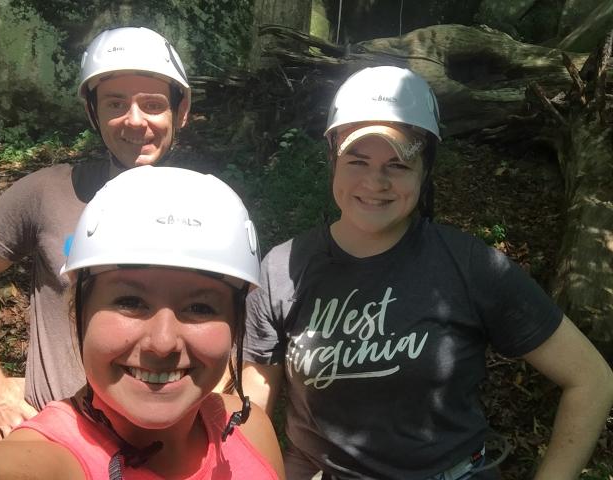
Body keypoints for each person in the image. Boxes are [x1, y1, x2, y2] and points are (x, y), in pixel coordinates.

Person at [241, 66, 613, 480]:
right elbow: (250, 405)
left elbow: (590, 379)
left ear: (426, 170)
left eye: (398, 165)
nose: (374, 181)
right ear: (333, 160)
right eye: (357, 160)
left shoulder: (471, 266)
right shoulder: (281, 269)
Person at [0, 165, 285, 480]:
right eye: (130, 302)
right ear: (78, 315)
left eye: (200, 307)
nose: (163, 343)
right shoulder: (47, 461)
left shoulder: (250, 428)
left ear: (237, 325)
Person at [0, 26, 191, 440]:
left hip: (167, 446)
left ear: (180, 111)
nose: (134, 120)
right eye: (115, 103)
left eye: (152, 104)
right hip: (56, 441)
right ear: (93, 112)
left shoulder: (206, 209)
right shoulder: (49, 193)